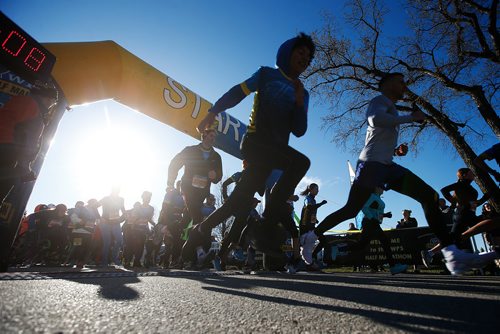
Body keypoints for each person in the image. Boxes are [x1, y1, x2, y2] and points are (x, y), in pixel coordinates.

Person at [300, 72, 487, 276]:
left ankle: (451, 254)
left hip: (387, 166)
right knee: (351, 210)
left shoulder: (392, 108)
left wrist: (395, 151)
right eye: (401, 82)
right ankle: (311, 236)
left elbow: (380, 136)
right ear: (388, 84)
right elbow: (374, 119)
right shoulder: (380, 101)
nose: (404, 86)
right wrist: (410, 118)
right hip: (371, 165)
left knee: (429, 196)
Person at [184, 33, 315, 270]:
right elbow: (238, 93)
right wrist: (213, 111)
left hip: (275, 150)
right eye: (301, 53)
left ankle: (199, 230)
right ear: (287, 52)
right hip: (256, 142)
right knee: (300, 163)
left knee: (236, 203)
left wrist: (298, 103)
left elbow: (299, 131)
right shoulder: (266, 74)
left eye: (309, 57)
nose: (305, 59)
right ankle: (265, 227)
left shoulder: (303, 93)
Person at [167, 128, 222, 265]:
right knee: (198, 218)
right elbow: (175, 163)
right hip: (188, 189)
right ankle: (197, 252)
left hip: (202, 193)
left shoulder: (216, 156)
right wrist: (170, 182)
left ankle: (181, 256)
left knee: (188, 221)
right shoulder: (190, 150)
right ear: (204, 136)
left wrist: (216, 176)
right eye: (210, 135)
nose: (212, 138)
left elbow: (219, 176)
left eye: (214, 136)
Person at [421, 168, 490, 267]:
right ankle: (437, 255)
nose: (474, 174)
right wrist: (453, 202)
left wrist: (486, 197)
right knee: (488, 223)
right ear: (464, 175)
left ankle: (434, 254)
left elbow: (474, 203)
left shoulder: (467, 186)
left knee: (455, 237)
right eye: (471, 173)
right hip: (462, 215)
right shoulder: (462, 183)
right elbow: (444, 190)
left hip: (468, 215)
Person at [0, 85, 58, 204]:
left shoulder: (35, 109)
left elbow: (27, 140)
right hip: (8, 158)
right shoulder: (30, 104)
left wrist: (25, 167)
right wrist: (11, 154)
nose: (51, 103)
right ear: (46, 97)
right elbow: (5, 121)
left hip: (13, 161)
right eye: (52, 100)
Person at [342, 187, 407, 275]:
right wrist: (372, 218)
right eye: (381, 187)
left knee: (362, 245)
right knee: (385, 242)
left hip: (372, 222)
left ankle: (340, 249)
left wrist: (385, 215)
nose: (383, 189)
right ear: (376, 188)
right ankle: (393, 266)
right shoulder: (372, 196)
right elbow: (364, 207)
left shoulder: (377, 198)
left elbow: (375, 211)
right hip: (370, 222)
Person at [98, 186, 126, 266]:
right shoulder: (105, 198)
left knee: (120, 240)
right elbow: (94, 207)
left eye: (118, 190)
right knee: (107, 242)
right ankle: (104, 261)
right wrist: (99, 218)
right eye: (115, 190)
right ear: (112, 190)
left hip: (116, 223)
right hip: (105, 223)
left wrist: (120, 219)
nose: (116, 192)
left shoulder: (121, 199)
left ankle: (114, 258)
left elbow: (123, 211)